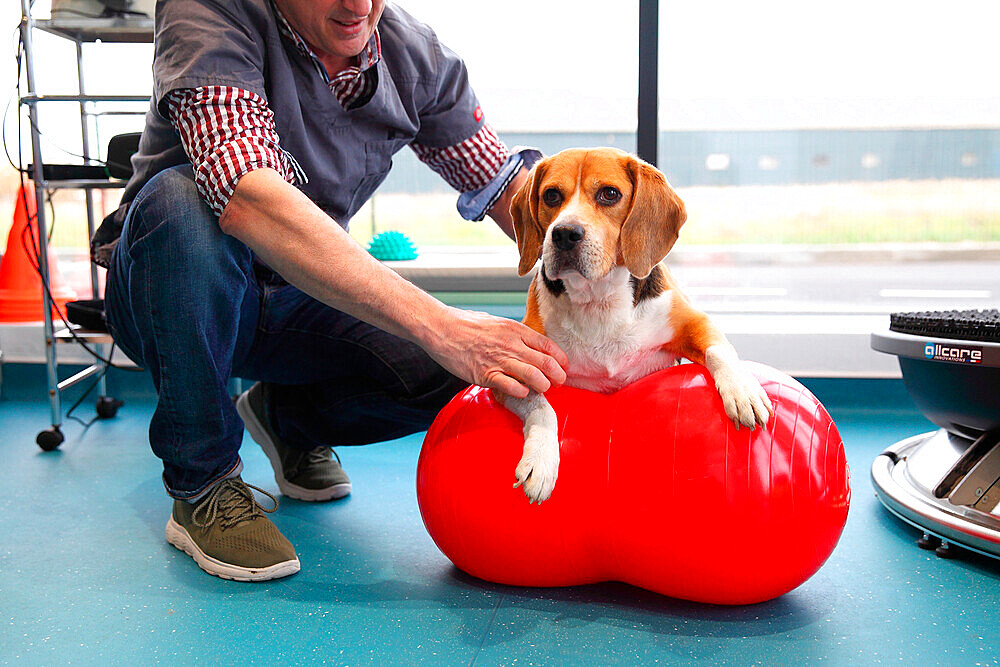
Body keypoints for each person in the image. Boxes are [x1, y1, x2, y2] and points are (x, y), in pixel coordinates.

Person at [93, 0, 568, 582]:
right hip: (175, 290)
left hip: (296, 298)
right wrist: (445, 327)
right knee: (183, 203)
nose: (358, 6)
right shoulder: (209, 13)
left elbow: (505, 188)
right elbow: (246, 195)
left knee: (459, 371)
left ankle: (288, 417)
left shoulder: (414, 57)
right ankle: (203, 483)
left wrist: (622, 271)